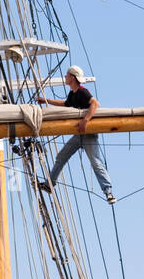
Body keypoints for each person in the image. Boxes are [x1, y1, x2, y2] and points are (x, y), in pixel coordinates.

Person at [35, 65, 114, 204]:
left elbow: (95, 104)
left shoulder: (83, 92)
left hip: (88, 133)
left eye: (66, 75)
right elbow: (66, 104)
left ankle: (108, 191)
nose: (65, 77)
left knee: (96, 162)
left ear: (72, 77)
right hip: (79, 135)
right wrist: (46, 100)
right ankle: (49, 184)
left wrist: (85, 120)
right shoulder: (73, 94)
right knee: (61, 156)